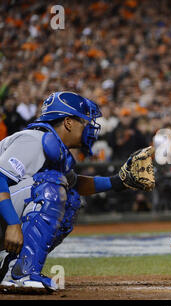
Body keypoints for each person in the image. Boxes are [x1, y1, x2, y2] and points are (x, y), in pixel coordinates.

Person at [0, 91, 155, 292]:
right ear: (68, 122)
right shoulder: (33, 139)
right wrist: (13, 223)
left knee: (70, 198)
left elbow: (75, 185)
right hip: (5, 215)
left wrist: (119, 181)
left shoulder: (55, 149)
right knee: (51, 188)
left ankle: (10, 264)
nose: (90, 128)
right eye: (84, 121)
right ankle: (19, 274)